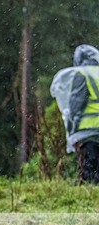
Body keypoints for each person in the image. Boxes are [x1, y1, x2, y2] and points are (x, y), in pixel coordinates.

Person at [50, 44, 99, 183]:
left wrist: (72, 129)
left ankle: (88, 198)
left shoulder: (82, 74)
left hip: (88, 131)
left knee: (89, 169)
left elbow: (76, 105)